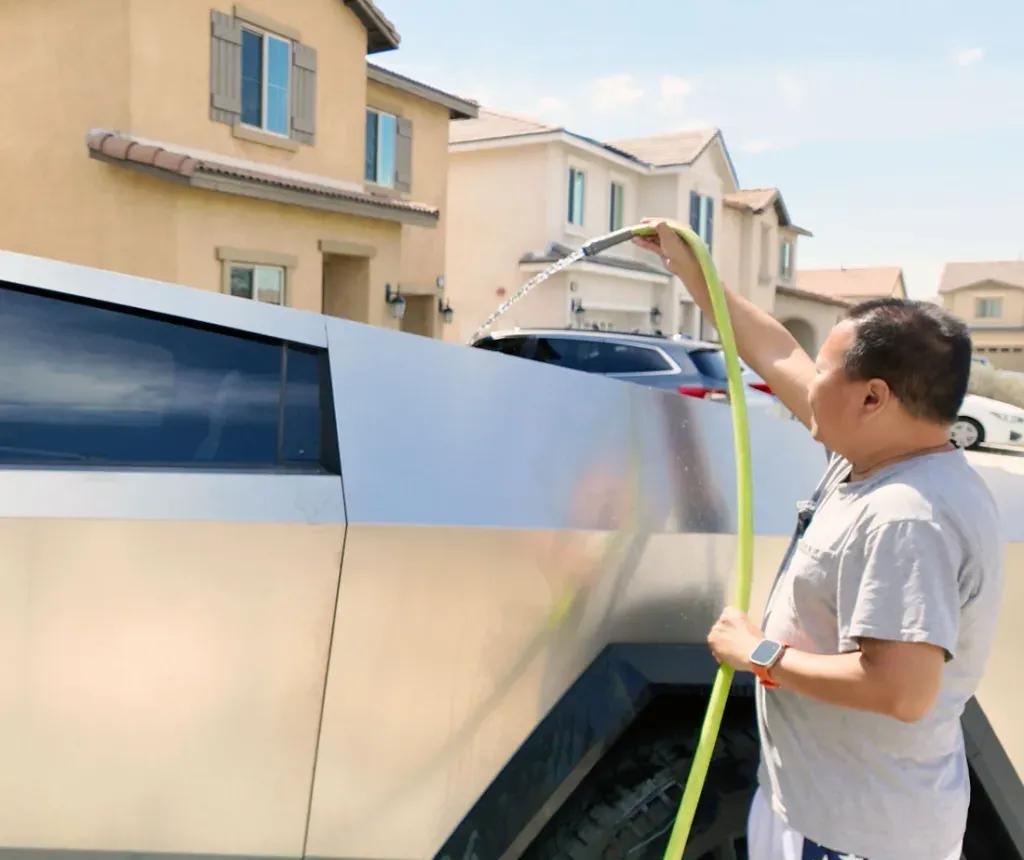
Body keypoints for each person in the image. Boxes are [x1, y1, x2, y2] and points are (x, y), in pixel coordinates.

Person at [634, 220, 1005, 860]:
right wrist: (694, 271)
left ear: (872, 398)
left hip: (858, 838)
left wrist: (758, 653)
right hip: (816, 808)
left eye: (825, 370)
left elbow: (901, 690)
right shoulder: (875, 456)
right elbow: (778, 352)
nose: (810, 383)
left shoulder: (907, 516)